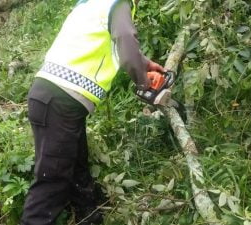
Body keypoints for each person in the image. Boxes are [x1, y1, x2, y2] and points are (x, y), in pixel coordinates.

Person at [21, 0, 165, 224]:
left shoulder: (91, 4)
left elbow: (108, 43)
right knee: (52, 182)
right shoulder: (117, 4)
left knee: (77, 170)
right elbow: (126, 46)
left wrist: (144, 63)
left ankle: (90, 218)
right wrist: (144, 84)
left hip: (52, 97)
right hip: (60, 100)